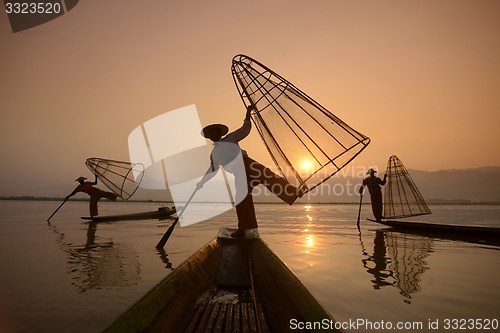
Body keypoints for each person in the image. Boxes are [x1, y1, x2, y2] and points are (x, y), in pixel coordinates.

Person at [197, 105, 305, 238]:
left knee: (269, 177)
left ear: (219, 133)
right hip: (239, 172)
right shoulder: (215, 153)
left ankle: (294, 192)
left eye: (215, 132)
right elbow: (212, 170)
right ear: (209, 137)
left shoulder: (230, 139)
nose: (213, 135)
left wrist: (248, 113)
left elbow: (245, 130)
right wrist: (201, 182)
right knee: (241, 198)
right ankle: (243, 228)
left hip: (248, 164)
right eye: (211, 133)